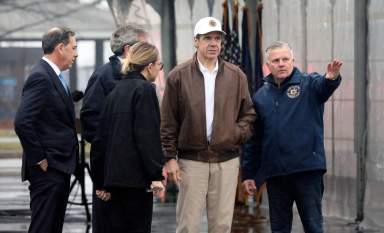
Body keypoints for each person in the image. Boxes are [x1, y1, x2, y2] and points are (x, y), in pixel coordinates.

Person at [161, 16, 256, 233]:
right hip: (191, 161)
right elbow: (168, 122)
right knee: (188, 224)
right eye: (207, 38)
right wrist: (169, 158)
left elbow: (248, 114)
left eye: (217, 39)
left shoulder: (236, 76)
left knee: (221, 225)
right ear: (196, 41)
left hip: (227, 160)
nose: (214, 43)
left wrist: (234, 134)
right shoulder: (178, 76)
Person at [241, 41, 343, 233]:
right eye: (276, 60)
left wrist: (331, 78)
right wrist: (249, 174)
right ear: (267, 65)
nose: (281, 63)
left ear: (293, 61)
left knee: (313, 226)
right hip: (277, 175)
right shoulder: (261, 97)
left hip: (307, 172)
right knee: (279, 229)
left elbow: (324, 86)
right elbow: (254, 140)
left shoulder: (309, 84)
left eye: (285, 59)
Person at [91, 41, 165, 233]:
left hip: (112, 181)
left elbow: (100, 140)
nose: (159, 69)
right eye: (159, 65)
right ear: (149, 66)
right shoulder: (145, 90)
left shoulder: (115, 91)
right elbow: (147, 136)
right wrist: (155, 175)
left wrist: (99, 182)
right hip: (136, 182)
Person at [80, 25, 147, 233]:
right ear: (128, 49)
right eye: (144, 45)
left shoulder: (140, 77)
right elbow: (90, 123)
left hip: (135, 173)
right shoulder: (104, 76)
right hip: (111, 173)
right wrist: (118, 146)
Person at [14, 27, 78, 233]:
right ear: (60, 48)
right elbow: (22, 121)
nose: (76, 54)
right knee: (44, 226)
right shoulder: (41, 77)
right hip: (48, 168)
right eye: (73, 48)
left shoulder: (54, 75)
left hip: (58, 166)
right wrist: (39, 158)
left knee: (52, 226)